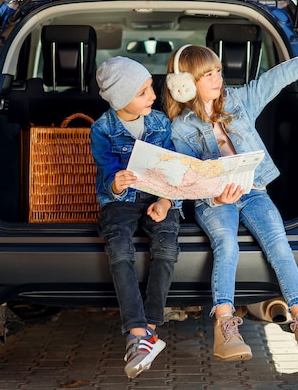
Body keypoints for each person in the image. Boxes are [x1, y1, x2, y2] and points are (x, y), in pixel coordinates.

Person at [164, 34, 298, 361]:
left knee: (278, 243)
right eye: (208, 75)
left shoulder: (238, 101)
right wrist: (214, 195)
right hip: (214, 201)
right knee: (227, 244)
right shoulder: (179, 128)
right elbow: (185, 179)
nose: (218, 79)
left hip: (254, 192)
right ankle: (225, 327)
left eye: (218, 71)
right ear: (183, 84)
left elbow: (274, 78)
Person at [90, 56, 182, 378]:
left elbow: (171, 167)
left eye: (150, 90)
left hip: (158, 197)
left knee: (167, 246)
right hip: (121, 202)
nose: (153, 96)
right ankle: (138, 333)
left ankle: (151, 327)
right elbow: (105, 171)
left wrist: (166, 201)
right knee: (119, 250)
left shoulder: (159, 122)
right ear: (121, 98)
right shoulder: (102, 129)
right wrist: (114, 183)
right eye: (144, 92)